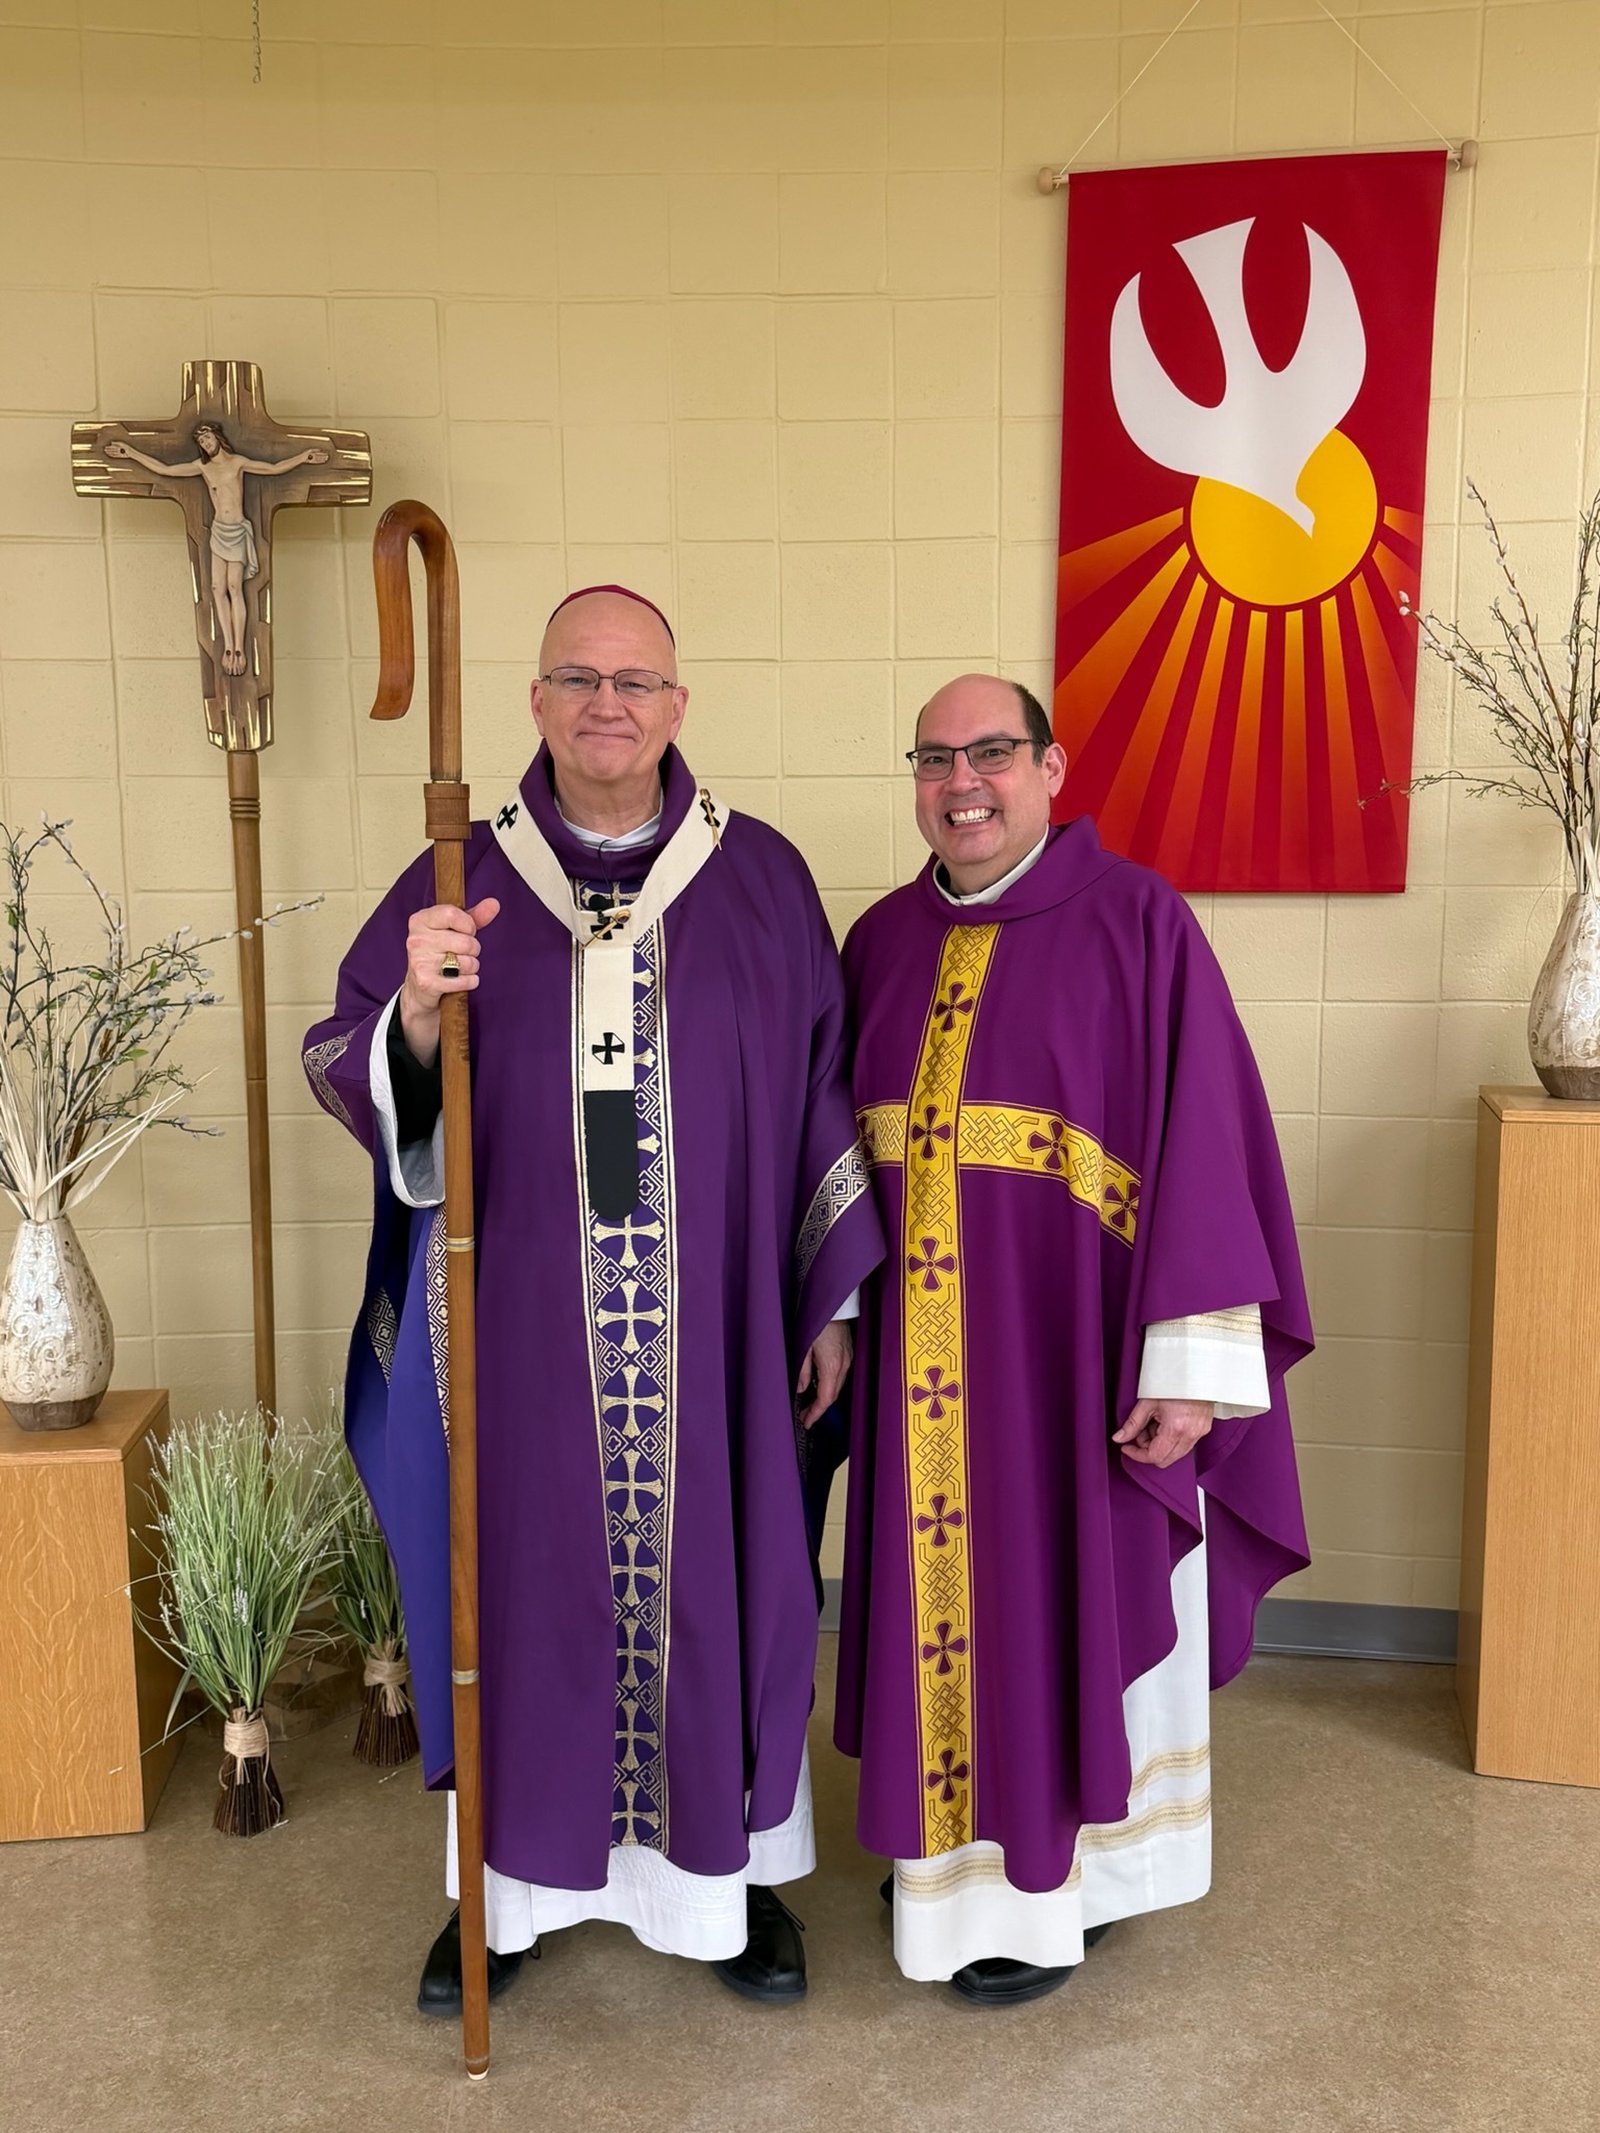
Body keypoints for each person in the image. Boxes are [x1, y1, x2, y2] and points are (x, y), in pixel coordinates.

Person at [303, 585, 881, 2015]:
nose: (607, 701)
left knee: (721, 1583)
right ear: (537, 702)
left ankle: (725, 1889)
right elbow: (351, 1055)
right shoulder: (458, 877)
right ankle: (502, 1899)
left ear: (681, 706)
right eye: (577, 675)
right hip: (526, 1341)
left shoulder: (759, 877)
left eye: (636, 679)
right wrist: (422, 1019)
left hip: (719, 1327)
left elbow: (820, 1093)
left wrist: (829, 1307)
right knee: (523, 1600)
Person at [835, 673, 1310, 2007]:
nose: (962, 781)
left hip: (1075, 1377)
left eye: (992, 751)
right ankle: (946, 1866)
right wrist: (832, 1314)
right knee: (946, 1615)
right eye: (934, 757)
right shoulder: (876, 942)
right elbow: (827, 1155)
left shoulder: (1139, 923)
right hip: (924, 1386)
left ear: (1051, 767)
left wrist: (1190, 1373)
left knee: (1069, 1599)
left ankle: (1072, 1883)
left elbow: (1211, 1152)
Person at [105, 424, 328, 673]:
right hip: (220, 531)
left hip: (237, 531)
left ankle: (240, 648)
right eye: (201, 442)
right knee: (216, 588)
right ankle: (229, 647)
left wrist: (304, 457)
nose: (206, 444)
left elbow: (273, 469)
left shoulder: (237, 463)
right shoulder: (203, 468)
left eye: (208, 438)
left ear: (218, 438)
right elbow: (165, 469)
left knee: (235, 586)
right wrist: (131, 453)